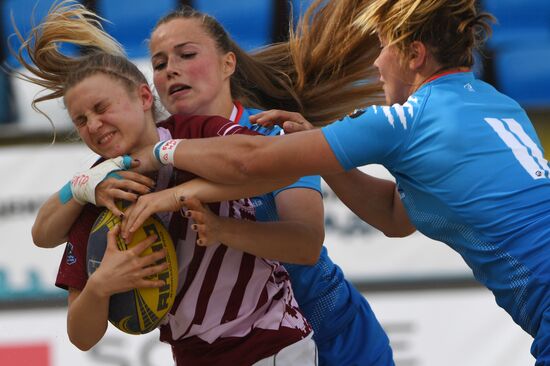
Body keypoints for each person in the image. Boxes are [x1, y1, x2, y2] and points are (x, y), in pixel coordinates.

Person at [128, 0, 550, 364]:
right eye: (161, 62)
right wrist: (326, 154)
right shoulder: (500, 103)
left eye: (384, 47)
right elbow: (395, 216)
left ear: (415, 55)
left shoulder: (405, 119)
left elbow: (249, 162)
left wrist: (160, 154)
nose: (376, 62)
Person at [30, 1, 396, 365]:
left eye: (186, 54)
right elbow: (44, 234)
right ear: (150, 86)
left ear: (228, 63)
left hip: (328, 332)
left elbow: (303, 241)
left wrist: (200, 211)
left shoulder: (264, 133)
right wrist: (80, 191)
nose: (171, 70)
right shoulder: (114, 175)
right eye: (159, 63)